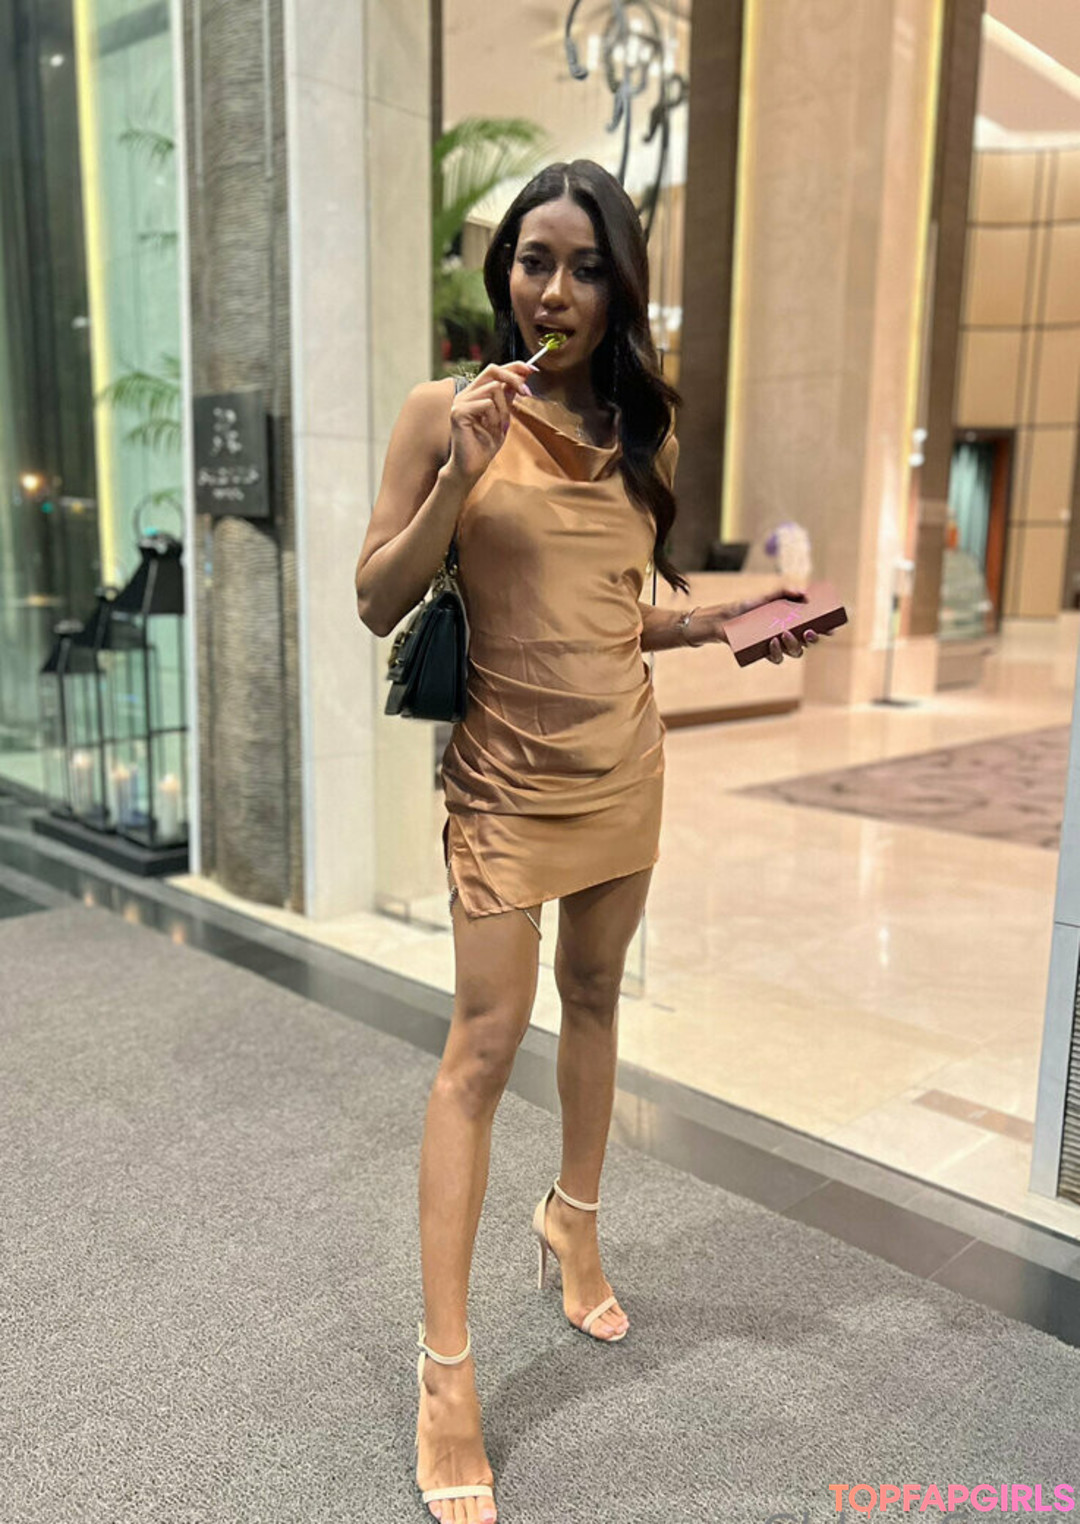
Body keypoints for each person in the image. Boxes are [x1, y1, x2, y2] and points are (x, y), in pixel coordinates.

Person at [354, 159, 828, 1524]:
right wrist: (461, 474)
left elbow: (616, 612)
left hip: (624, 764)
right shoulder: (443, 411)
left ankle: (574, 1220)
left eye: (584, 267)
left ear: (621, 286)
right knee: (480, 1048)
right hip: (503, 783)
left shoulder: (639, 433)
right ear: (502, 273)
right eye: (533, 262)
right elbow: (377, 598)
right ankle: (448, 1373)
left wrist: (730, 621)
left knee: (600, 997)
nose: (553, 291)